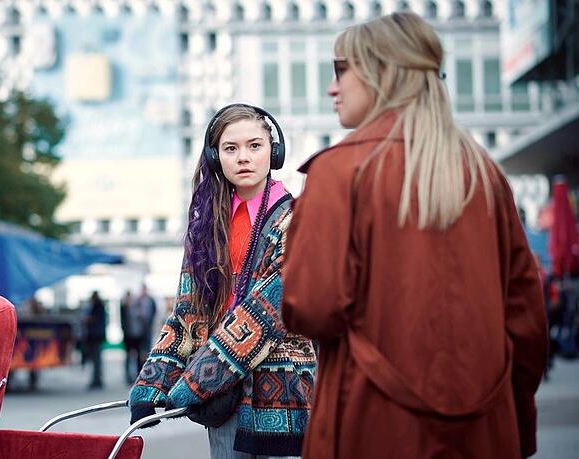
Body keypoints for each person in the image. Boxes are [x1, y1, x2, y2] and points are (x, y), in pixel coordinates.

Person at [282, 12, 548, 459]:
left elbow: (311, 308)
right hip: (487, 429)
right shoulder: (483, 173)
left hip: (371, 424)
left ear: (383, 73)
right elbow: (525, 324)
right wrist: (516, 425)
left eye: (342, 70)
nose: (333, 87)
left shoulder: (339, 172)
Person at [129, 103, 317, 458]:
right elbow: (188, 312)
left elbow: (267, 313)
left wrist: (197, 380)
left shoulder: (299, 220)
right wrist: (151, 382)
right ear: (216, 158)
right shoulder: (206, 228)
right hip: (224, 402)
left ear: (273, 152)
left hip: (283, 399)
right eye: (231, 149)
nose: (243, 157)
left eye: (255, 146)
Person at [84, 290, 106, 390]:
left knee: (96, 359)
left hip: (95, 336)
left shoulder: (97, 306)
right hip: (96, 336)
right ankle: (97, 379)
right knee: (96, 359)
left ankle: (97, 380)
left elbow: (93, 319)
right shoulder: (99, 306)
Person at [132, 284, 157, 362]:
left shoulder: (151, 300)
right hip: (139, 330)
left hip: (148, 328)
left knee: (147, 348)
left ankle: (146, 364)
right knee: (139, 350)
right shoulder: (137, 300)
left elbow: (154, 312)